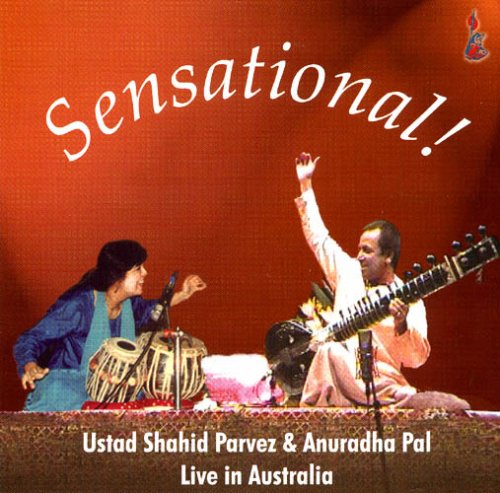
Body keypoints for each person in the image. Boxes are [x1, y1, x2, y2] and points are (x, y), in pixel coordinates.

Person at [294, 153, 430, 407]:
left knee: (332, 352)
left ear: (388, 256)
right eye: (359, 249)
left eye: (367, 250)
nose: (359, 256)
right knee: (330, 351)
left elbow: (416, 359)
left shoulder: (410, 299)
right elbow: (319, 239)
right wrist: (306, 185)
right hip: (338, 379)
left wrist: (402, 325)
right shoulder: (349, 273)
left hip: (382, 383)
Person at [13, 240, 206, 411]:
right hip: (69, 391)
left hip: (114, 393)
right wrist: (30, 365)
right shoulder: (78, 306)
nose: (145, 273)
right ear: (118, 276)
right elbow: (30, 338)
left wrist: (183, 294)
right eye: (138, 269)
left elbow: (151, 310)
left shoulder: (130, 305)